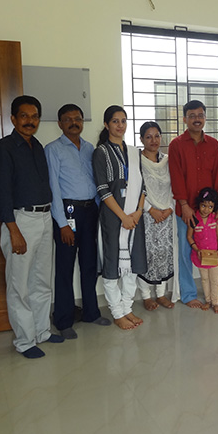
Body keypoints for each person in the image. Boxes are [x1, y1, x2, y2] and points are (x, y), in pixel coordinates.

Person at [0, 95, 64, 359]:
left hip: (44, 219)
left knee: (42, 280)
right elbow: (1, 193)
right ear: (13, 118)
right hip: (20, 221)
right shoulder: (2, 148)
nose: (30, 121)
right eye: (24, 116)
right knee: (19, 284)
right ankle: (24, 340)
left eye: (34, 117)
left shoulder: (38, 147)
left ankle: (42, 331)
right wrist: (13, 230)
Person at [45, 104, 111, 340]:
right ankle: (63, 320)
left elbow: (95, 182)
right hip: (68, 212)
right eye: (68, 119)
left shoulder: (90, 148)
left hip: (89, 211)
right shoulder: (52, 150)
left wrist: (97, 212)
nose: (74, 122)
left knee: (90, 264)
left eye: (78, 119)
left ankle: (91, 313)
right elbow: (52, 187)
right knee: (64, 267)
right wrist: (62, 223)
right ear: (60, 124)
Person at [93, 105, 146, 330]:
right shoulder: (101, 152)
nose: (120, 125)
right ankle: (117, 312)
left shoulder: (134, 152)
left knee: (132, 264)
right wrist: (123, 216)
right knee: (113, 265)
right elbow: (103, 189)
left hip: (134, 216)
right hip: (114, 217)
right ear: (106, 125)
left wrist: (138, 212)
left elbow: (143, 186)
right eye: (115, 121)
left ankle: (128, 307)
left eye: (123, 121)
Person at [168, 100, 218, 308]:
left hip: (209, 211)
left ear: (205, 118)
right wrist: (184, 205)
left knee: (212, 248)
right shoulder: (176, 145)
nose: (197, 119)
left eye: (200, 115)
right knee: (186, 251)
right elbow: (176, 176)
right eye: (192, 115)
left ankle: (213, 295)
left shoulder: (214, 145)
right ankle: (189, 294)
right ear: (185, 119)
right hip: (187, 209)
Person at [137, 121, 177, 311]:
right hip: (147, 215)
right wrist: (151, 210)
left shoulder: (168, 160)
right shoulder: (136, 161)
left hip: (167, 215)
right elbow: (134, 190)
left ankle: (161, 294)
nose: (153, 140)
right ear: (141, 139)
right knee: (147, 255)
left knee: (164, 254)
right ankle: (146, 296)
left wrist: (169, 208)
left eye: (157, 136)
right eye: (148, 136)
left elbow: (175, 187)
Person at [186, 188, 218, 313]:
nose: (206, 209)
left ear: (214, 207)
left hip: (215, 255)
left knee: (214, 279)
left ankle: (215, 302)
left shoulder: (215, 218)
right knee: (204, 279)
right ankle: (208, 301)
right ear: (199, 204)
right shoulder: (193, 219)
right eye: (203, 205)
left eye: (210, 207)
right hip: (200, 256)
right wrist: (196, 249)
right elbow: (189, 236)